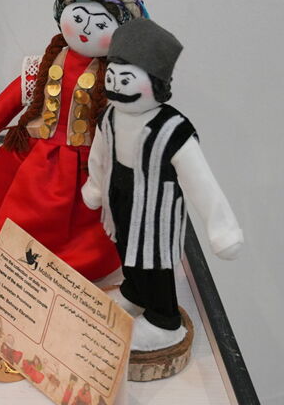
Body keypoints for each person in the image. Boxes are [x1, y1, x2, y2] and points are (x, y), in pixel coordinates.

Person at [0, 0, 149, 281]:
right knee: (17, 209)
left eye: (101, 25)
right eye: (80, 17)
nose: (86, 29)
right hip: (32, 153)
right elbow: (10, 99)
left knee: (71, 223)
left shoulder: (114, 82)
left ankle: (63, 273)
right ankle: (6, 264)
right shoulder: (43, 66)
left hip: (83, 165)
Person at [82, 18, 243, 351]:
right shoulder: (109, 117)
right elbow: (99, 156)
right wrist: (95, 188)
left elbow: (201, 182)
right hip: (119, 200)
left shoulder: (173, 130)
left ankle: (164, 321)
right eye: (112, 77)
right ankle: (134, 292)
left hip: (155, 213)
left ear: (155, 83)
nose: (116, 86)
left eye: (126, 79)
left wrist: (222, 230)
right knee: (125, 251)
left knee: (154, 263)